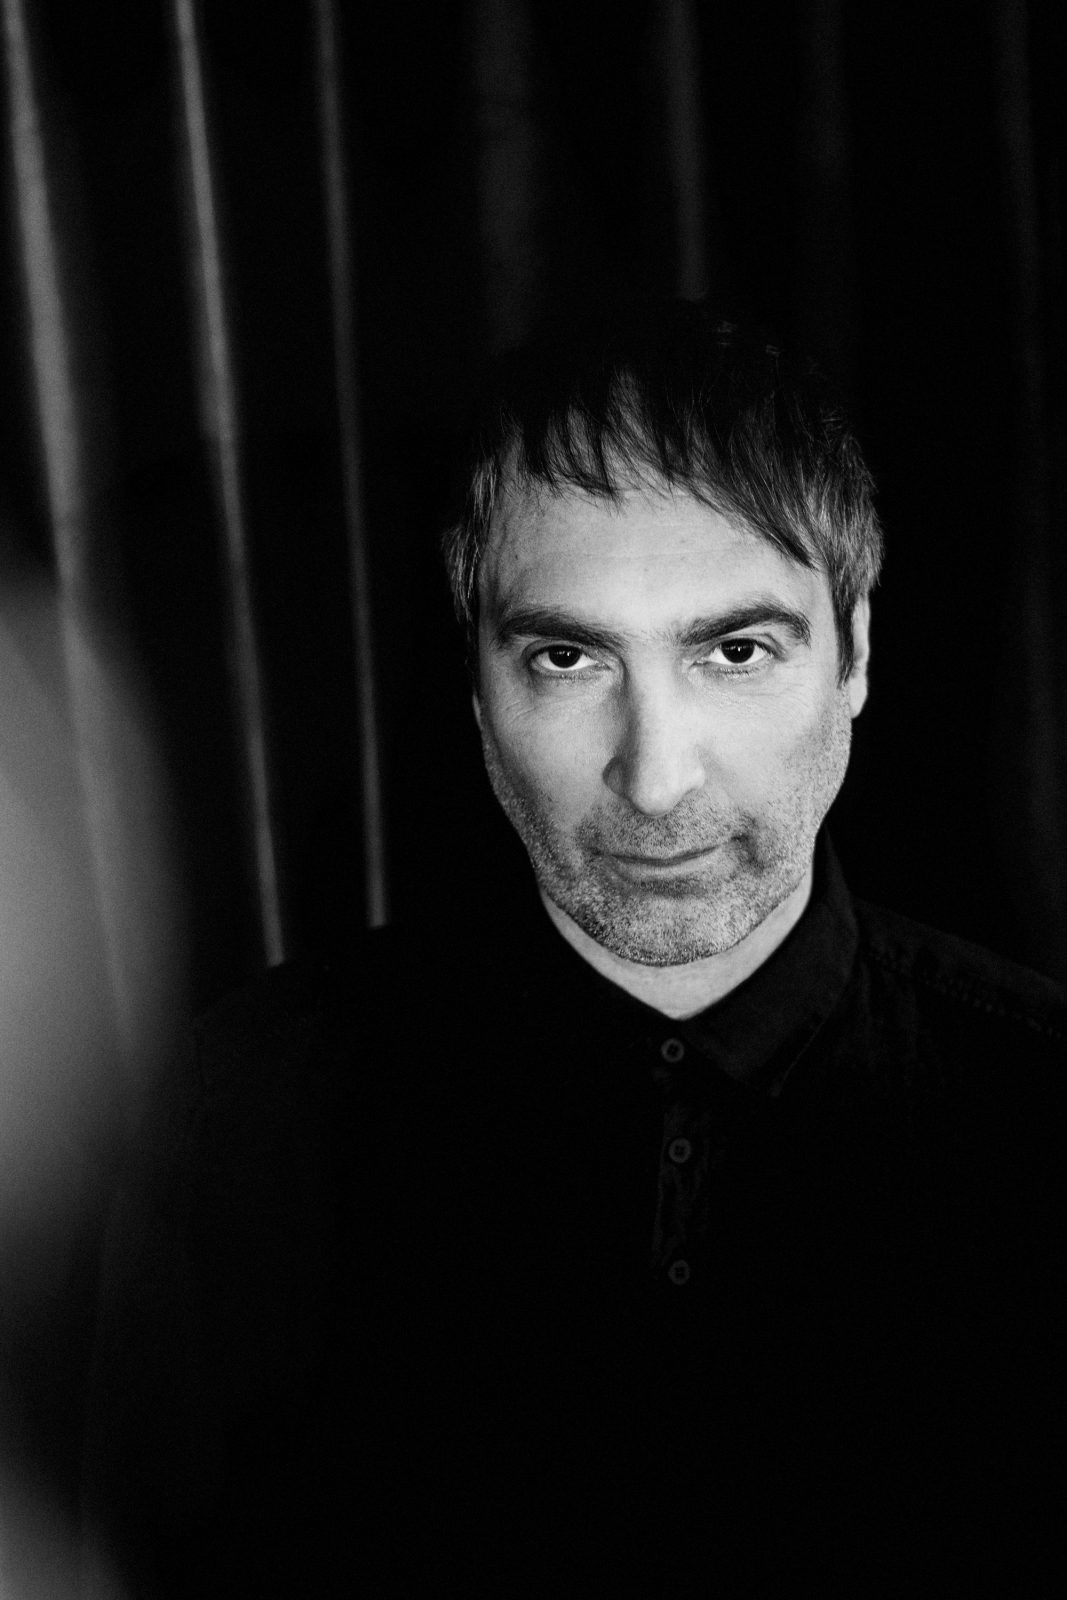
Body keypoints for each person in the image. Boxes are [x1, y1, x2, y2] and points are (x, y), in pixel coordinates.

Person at [82, 300, 1064, 1598]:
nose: (655, 780)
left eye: (734, 650)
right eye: (566, 657)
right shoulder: (244, 1116)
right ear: (478, 688)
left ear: (856, 656)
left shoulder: (1048, 1116)